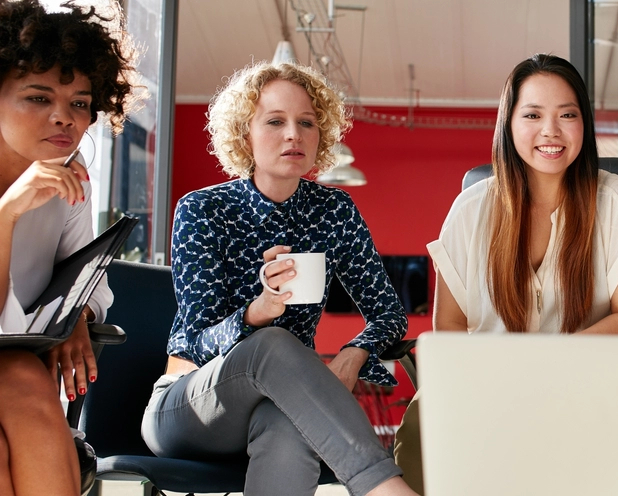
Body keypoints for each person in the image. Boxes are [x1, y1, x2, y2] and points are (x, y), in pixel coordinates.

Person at [139, 62, 418, 496]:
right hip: (188, 403)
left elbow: (388, 315)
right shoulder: (203, 210)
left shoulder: (334, 211)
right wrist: (257, 313)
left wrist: (352, 354)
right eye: (275, 121)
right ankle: (383, 488)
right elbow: (195, 341)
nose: (295, 134)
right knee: (269, 342)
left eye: (307, 122)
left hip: (278, 403)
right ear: (244, 134)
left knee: (288, 426)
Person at [392, 53, 618, 493]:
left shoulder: (615, 201)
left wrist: (543, 370)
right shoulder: (471, 209)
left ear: (583, 125)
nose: (550, 131)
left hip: (582, 386)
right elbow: (451, 327)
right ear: (509, 123)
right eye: (533, 114)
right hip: (483, 387)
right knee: (428, 448)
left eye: (567, 115)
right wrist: (488, 387)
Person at [0, 0, 137, 493]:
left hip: (16, 366)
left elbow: (86, 282)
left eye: (79, 103)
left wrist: (77, 317)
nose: (65, 118)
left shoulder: (68, 185)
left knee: (19, 371)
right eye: (38, 98)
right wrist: (7, 213)